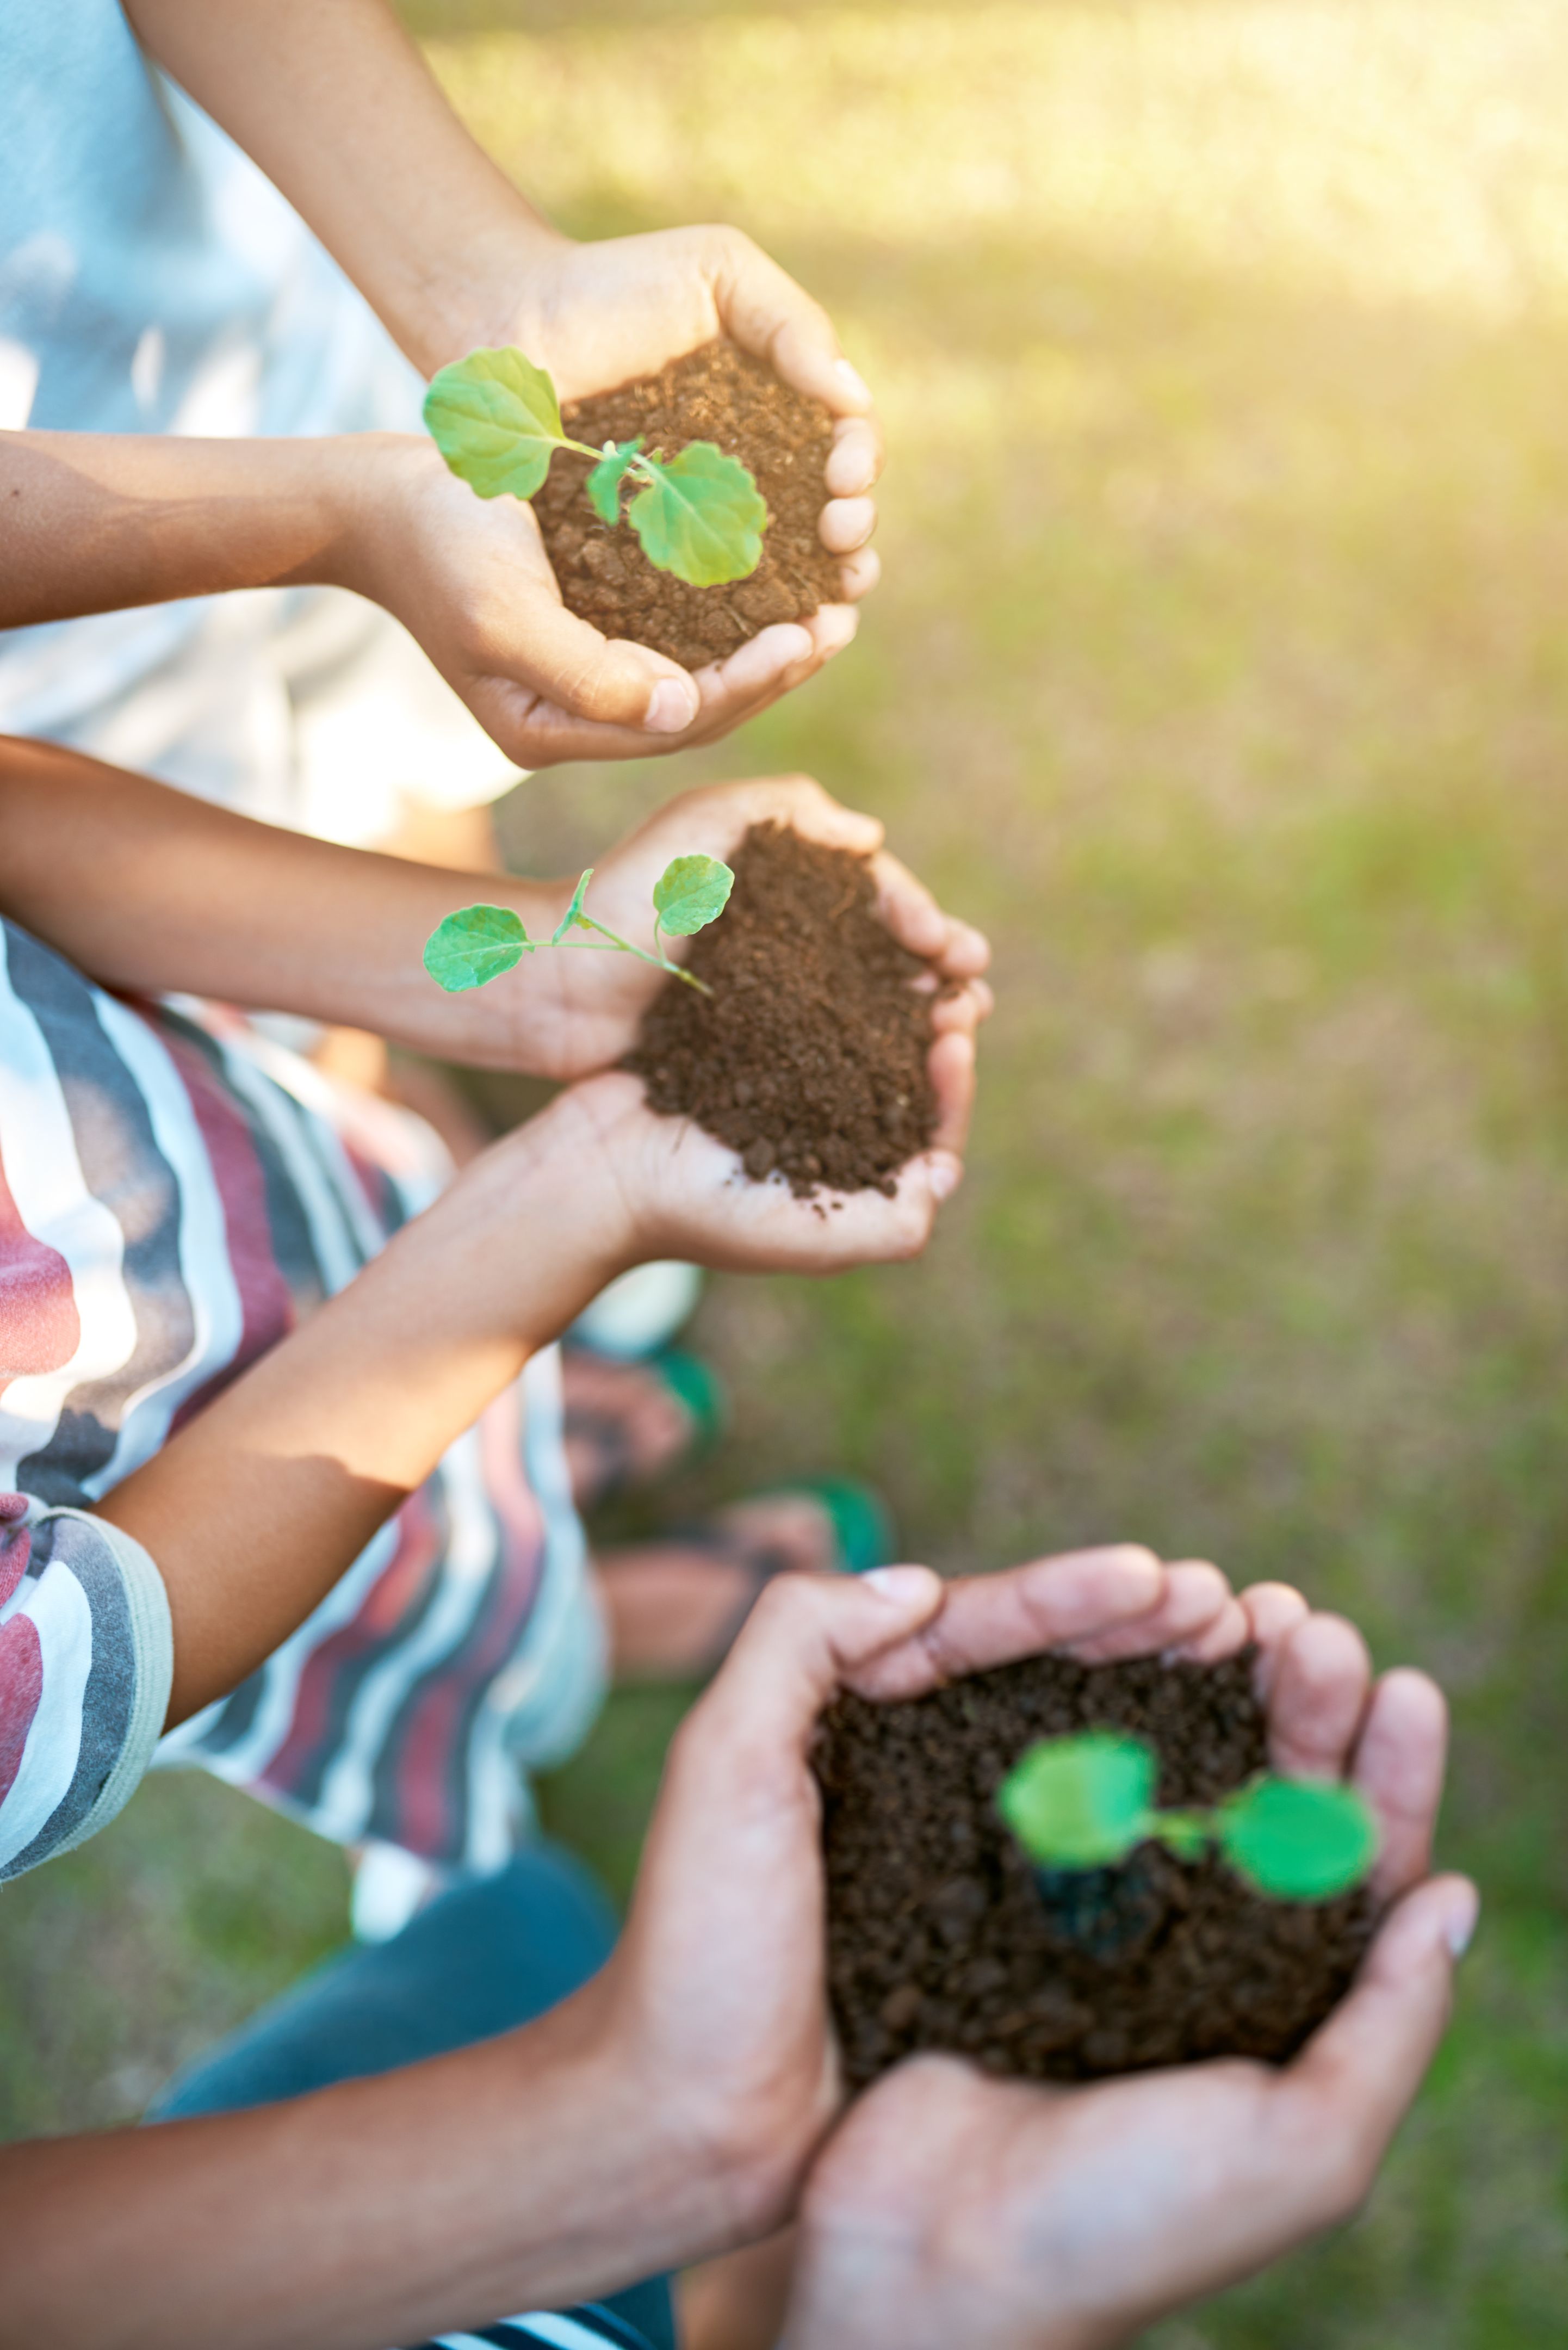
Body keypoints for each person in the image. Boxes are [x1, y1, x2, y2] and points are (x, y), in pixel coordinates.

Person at [0, 1544, 1473, 2347]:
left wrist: (645, 2124)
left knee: (507, 1946)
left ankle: (720, 2221)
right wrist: (928, 2306)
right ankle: (756, 2248)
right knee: (517, 1961)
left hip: (216, 2266)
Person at [0, 735, 988, 1891]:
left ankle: (530, 1423)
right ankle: (584, 1635)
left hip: (257, 1165)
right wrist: (577, 1200)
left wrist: (547, 981)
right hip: (235, 1561)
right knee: (437, 1619)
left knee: (404, 1255)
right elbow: (62, 1670)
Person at [1, 0, 884, 842]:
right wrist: (350, 513)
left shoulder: (431, 448)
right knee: (291, 920)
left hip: (291, 353)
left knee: (430, 809)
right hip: (69, 614)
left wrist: (482, 283)